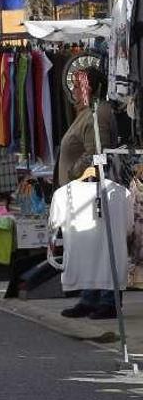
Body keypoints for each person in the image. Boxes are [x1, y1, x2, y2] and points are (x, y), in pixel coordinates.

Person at [57, 67, 120, 320]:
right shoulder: (85, 113)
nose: (72, 90)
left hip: (92, 189)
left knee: (101, 246)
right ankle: (90, 297)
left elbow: (98, 151)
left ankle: (106, 300)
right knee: (88, 247)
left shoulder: (97, 113)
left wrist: (74, 170)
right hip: (81, 191)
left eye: (76, 85)